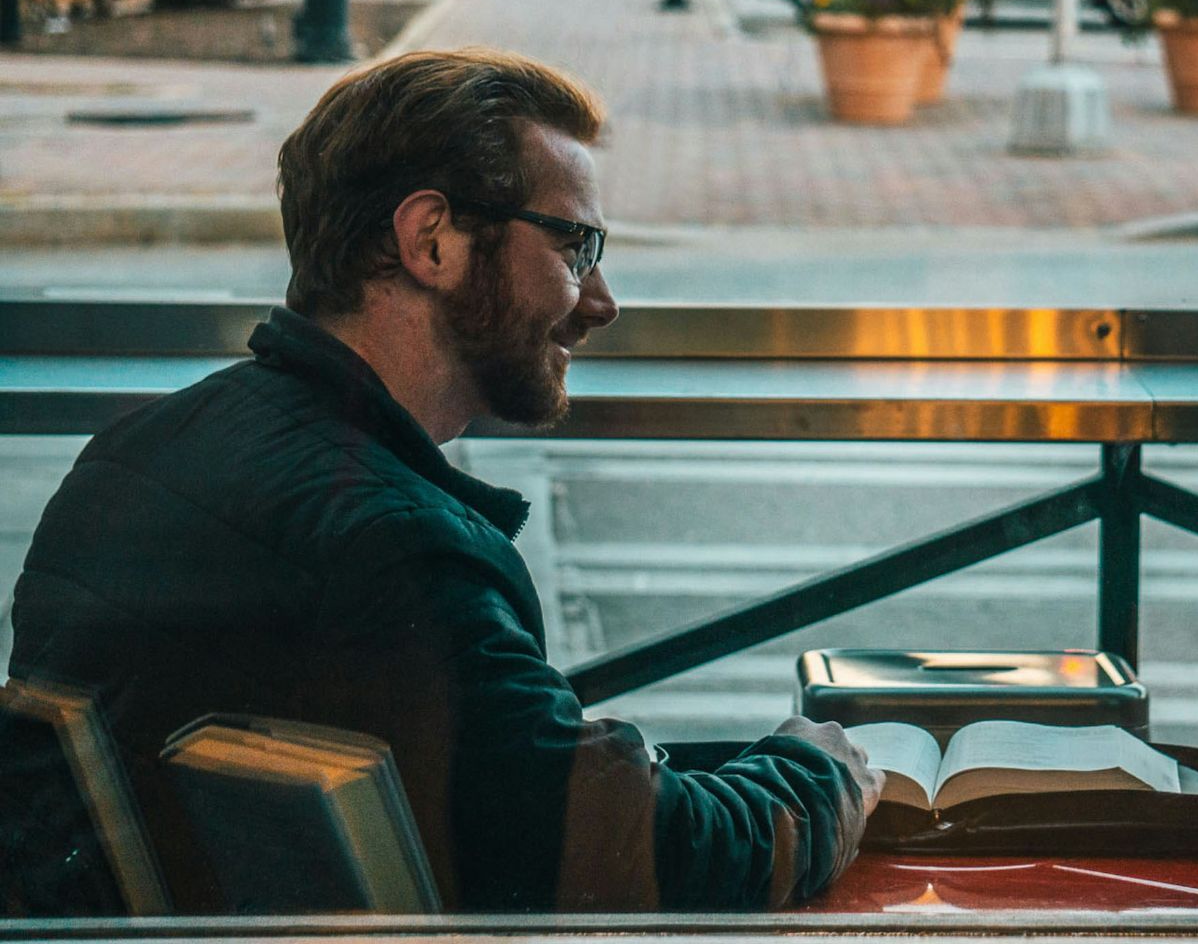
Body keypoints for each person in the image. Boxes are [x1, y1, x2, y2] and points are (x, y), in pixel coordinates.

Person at [6, 48, 884, 913]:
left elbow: (517, 775)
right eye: (576, 247)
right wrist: (820, 771)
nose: (601, 299)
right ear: (431, 239)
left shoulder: (130, 456)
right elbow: (645, 854)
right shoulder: (393, 551)